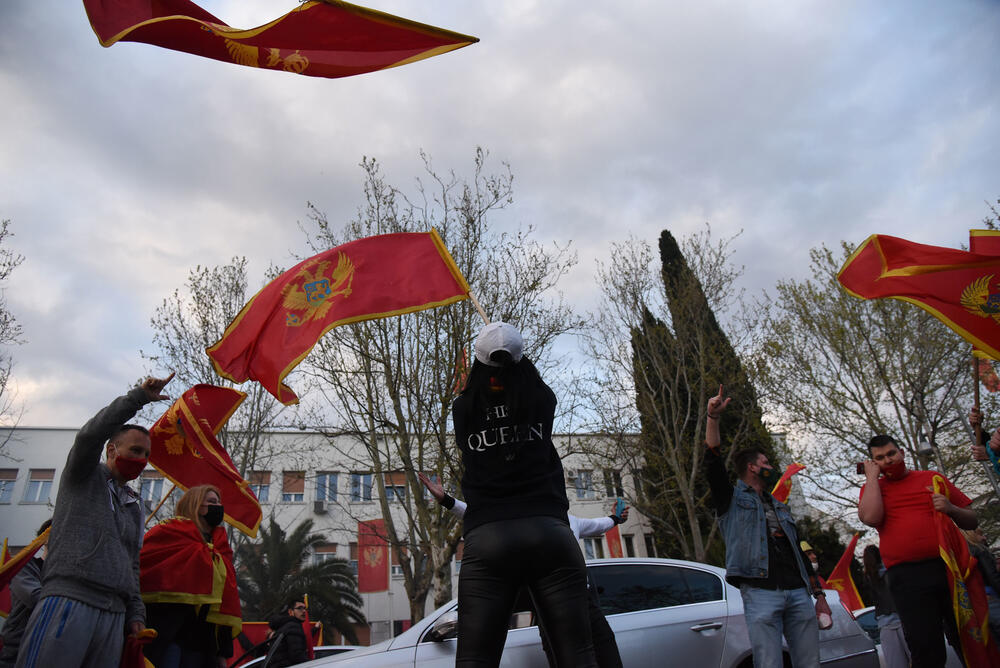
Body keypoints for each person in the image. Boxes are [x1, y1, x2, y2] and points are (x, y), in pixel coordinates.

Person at [452, 321, 598, 667]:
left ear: (478, 362)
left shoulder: (464, 408)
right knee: (578, 656)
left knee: (475, 659)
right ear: (521, 360)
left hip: (488, 537)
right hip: (549, 532)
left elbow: (472, 397)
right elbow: (529, 385)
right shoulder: (542, 399)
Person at [16, 374, 174, 668]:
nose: (141, 460)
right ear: (111, 450)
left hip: (113, 618)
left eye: (146, 455)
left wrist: (136, 615)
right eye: (135, 451)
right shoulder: (83, 476)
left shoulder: (134, 505)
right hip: (68, 602)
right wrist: (137, 398)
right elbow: (89, 436)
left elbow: (132, 564)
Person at [418, 472, 627, 668]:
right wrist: (446, 500)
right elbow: (475, 514)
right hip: (551, 609)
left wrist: (616, 518)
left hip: (584, 603)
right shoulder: (513, 516)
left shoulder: (569, 521)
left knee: (607, 654)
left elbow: (600, 524)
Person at [702, 385, 828, 668]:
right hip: (761, 593)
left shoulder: (780, 507)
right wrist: (713, 419)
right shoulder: (731, 499)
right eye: (766, 462)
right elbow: (712, 462)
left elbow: (799, 552)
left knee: (810, 663)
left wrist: (818, 595)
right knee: (769, 662)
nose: (771, 466)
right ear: (751, 468)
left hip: (798, 593)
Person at [858, 434, 978, 667]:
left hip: (947, 569)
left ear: (901, 452)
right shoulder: (873, 488)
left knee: (966, 637)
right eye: (880, 458)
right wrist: (872, 478)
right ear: (873, 463)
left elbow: (972, 520)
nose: (888, 460)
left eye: (891, 453)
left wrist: (951, 508)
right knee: (925, 645)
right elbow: (871, 517)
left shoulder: (933, 478)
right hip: (907, 577)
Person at [140, 484, 241, 668]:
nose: (218, 506)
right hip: (168, 636)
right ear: (195, 505)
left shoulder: (221, 548)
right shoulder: (170, 532)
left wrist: (222, 654)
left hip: (203, 645)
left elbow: (226, 603)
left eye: (219, 502)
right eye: (212, 501)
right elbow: (146, 570)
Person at [0, 519, 51, 668]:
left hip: (47, 651)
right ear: (45, 539)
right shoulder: (24, 568)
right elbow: (36, 598)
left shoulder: (64, 575)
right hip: (17, 652)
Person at [861, 545, 910, 668]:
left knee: (896, 664)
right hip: (902, 620)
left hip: (884, 625)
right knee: (920, 660)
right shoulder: (891, 571)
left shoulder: (868, 578)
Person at [962, 528, 1000, 643]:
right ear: (971, 535)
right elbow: (993, 577)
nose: (984, 538)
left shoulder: (960, 555)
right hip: (991, 598)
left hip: (975, 604)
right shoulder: (980, 550)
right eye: (980, 535)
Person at [266, 598, 309, 668]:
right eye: (300, 608)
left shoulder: (285, 627)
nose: (304, 611)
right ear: (290, 612)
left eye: (304, 608)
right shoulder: (293, 626)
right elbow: (297, 655)